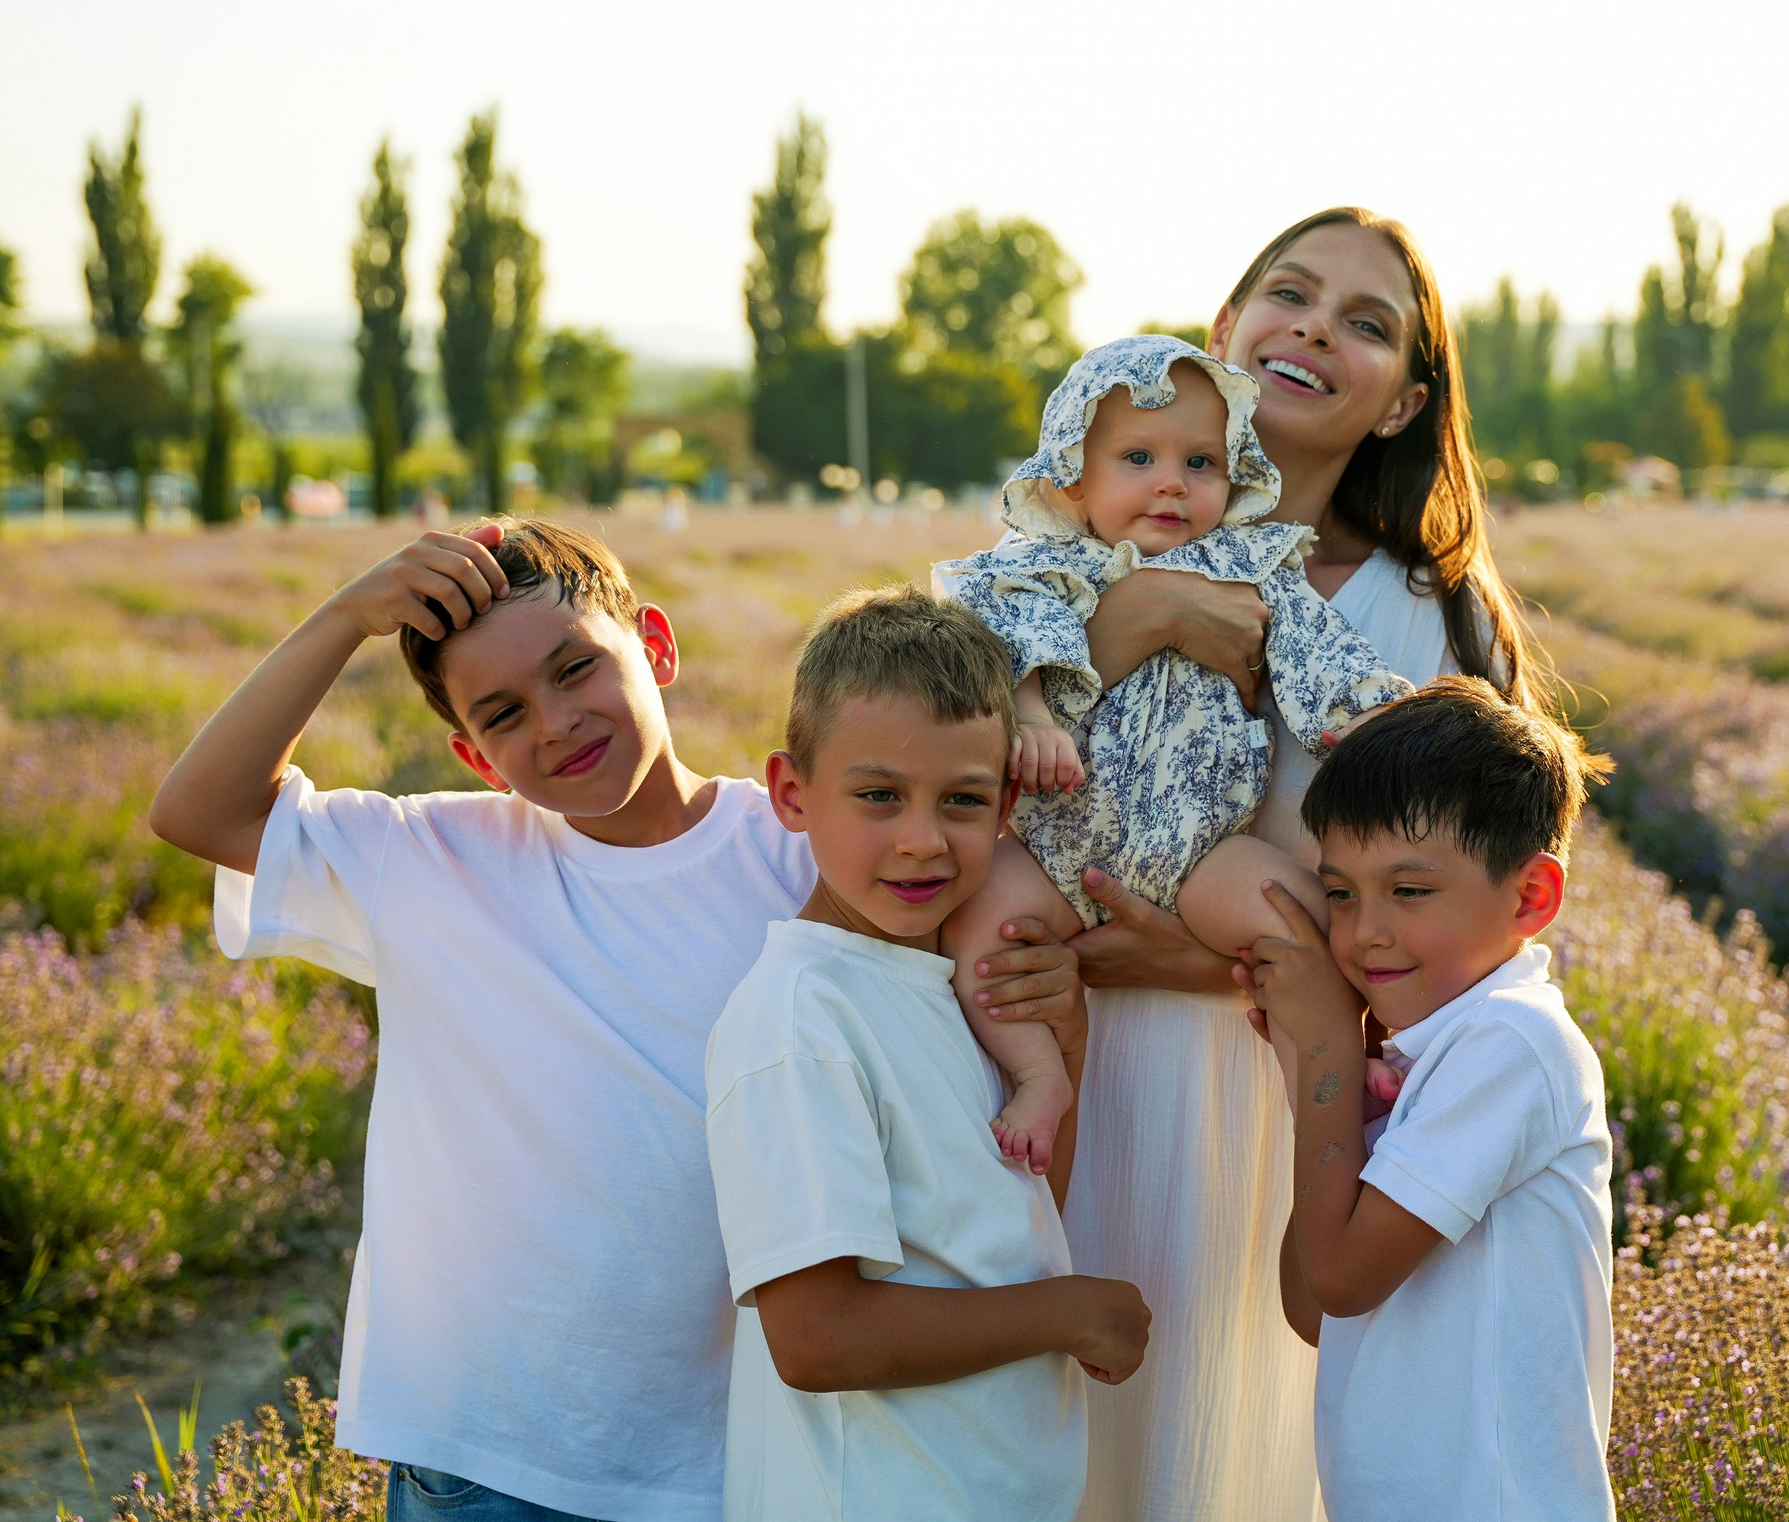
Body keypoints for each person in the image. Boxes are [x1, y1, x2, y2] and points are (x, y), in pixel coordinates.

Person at [147, 519, 1083, 1522]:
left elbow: (988, 894)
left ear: (659, 646)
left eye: (575, 669)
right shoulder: (430, 858)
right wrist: (346, 616)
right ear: (474, 755)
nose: (554, 723)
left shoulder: (804, 845)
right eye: (503, 714)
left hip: (728, 1448)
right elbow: (199, 811)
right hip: (487, 1453)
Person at [1044, 209, 1551, 1522]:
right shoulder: (1066, 547)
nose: (1318, 326)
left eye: (1367, 322)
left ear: (1403, 404)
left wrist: (1194, 954)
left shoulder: (1426, 614)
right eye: (1290, 291)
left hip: (1271, 1094)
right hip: (1051, 1058)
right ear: (1221, 333)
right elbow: (944, 745)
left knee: (1213, 1452)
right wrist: (1149, 610)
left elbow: (1463, 916)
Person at [705, 586, 1151, 1522]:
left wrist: (1061, 1048)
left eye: (961, 800)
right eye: (878, 796)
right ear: (792, 791)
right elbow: (819, 1338)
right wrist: (1069, 1312)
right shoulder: (800, 1021)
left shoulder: (958, 990)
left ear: (1007, 803)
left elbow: (1005, 1226)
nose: (921, 840)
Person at [935, 334, 1413, 1174]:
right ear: (1073, 474)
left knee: (1307, 923)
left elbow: (1318, 657)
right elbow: (989, 648)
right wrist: (1031, 713)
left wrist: (1376, 721)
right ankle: (1038, 1072)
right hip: (1057, 847)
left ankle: (1339, 1067)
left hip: (1204, 848)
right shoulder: (1039, 566)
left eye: (1200, 460)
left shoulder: (1250, 567)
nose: (1171, 480)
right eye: (1138, 457)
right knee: (977, 922)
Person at [1241, 679, 1615, 1522]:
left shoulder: (1512, 1044)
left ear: (1531, 898)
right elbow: (1311, 1306)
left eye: (1409, 891)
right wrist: (1330, 1080)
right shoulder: (1426, 1056)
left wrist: (1329, 1052)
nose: (1365, 929)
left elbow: (1336, 1279)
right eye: (1340, 893)